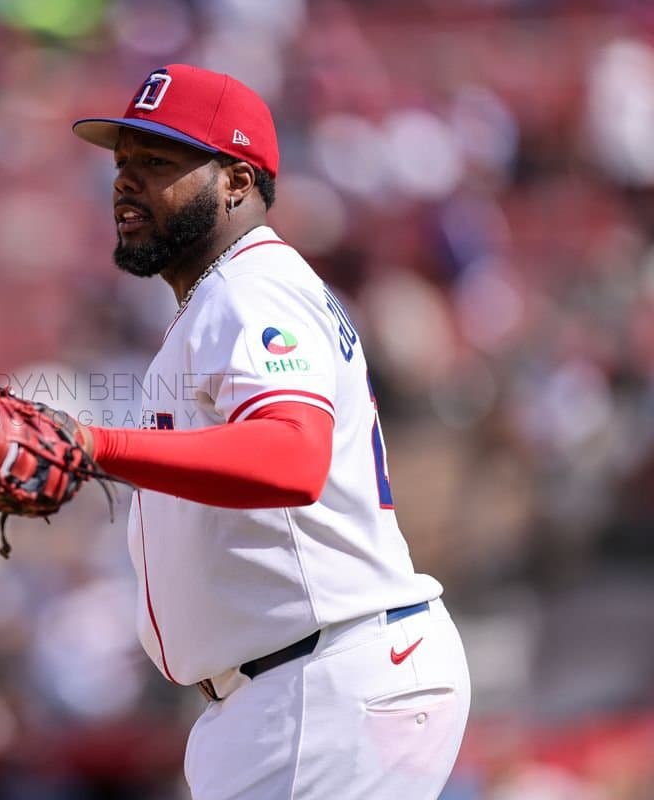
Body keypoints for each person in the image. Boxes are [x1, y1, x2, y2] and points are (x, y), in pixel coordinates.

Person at [68, 64, 472, 799]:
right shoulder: (227, 300)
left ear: (237, 180)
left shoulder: (250, 290)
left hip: (320, 679)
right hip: (307, 682)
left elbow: (292, 456)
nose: (126, 182)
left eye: (158, 162)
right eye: (122, 163)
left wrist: (95, 447)